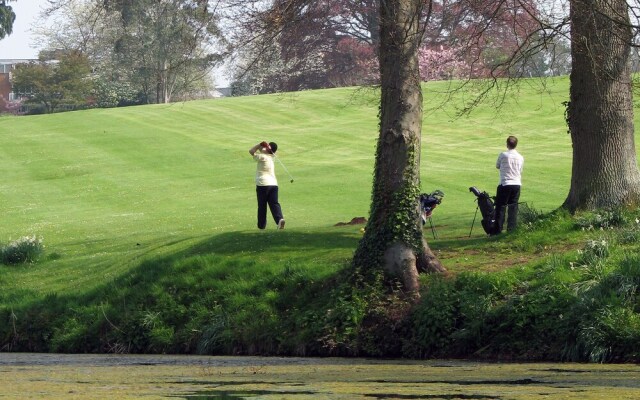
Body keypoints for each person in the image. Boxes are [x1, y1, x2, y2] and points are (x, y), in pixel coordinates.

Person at [249, 141, 285, 230]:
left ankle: (261, 226)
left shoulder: (262, 156)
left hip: (263, 185)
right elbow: (264, 150)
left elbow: (251, 151)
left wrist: (259, 144)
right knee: (274, 204)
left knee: (262, 206)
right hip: (273, 185)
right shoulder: (271, 157)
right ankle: (280, 220)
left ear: (268, 149)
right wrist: (264, 146)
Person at [493, 135, 524, 234]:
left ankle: (498, 230)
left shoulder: (503, 155)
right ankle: (511, 229)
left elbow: (497, 166)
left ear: (507, 144)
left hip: (505, 183)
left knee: (501, 207)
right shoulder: (520, 157)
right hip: (516, 184)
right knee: (513, 207)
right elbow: (520, 170)